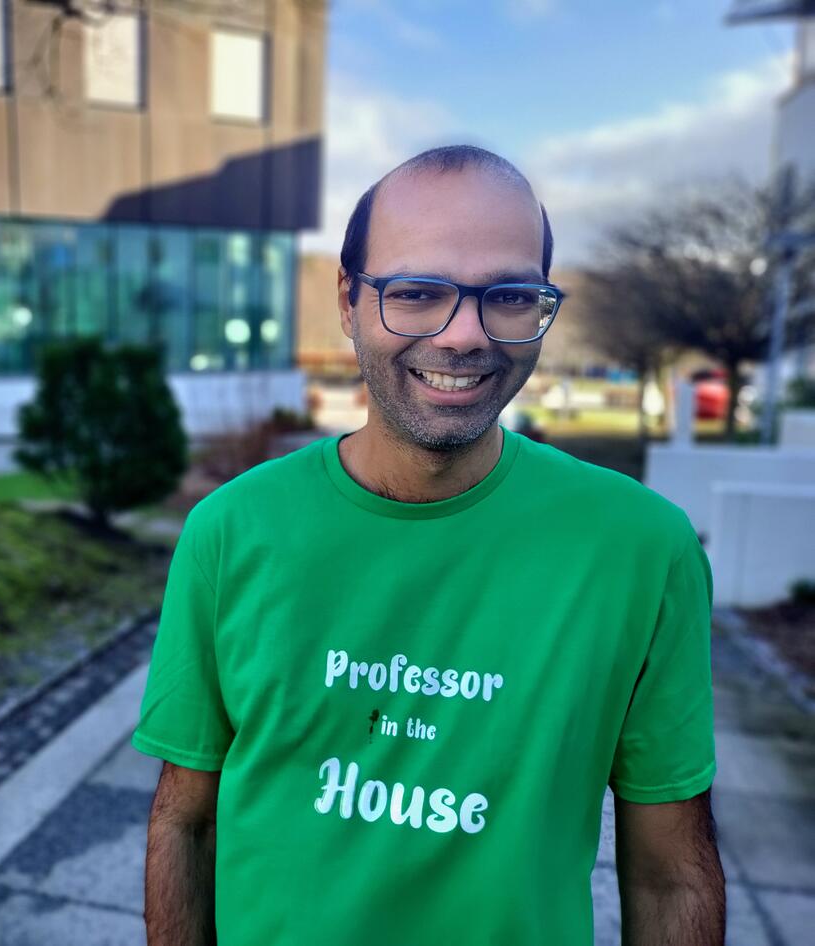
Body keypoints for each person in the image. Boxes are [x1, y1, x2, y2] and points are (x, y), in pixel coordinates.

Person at [131, 144, 725, 945]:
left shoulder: (642, 550)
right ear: (349, 301)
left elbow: (671, 873)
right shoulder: (232, 531)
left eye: (509, 296)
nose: (463, 336)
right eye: (416, 292)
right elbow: (183, 824)